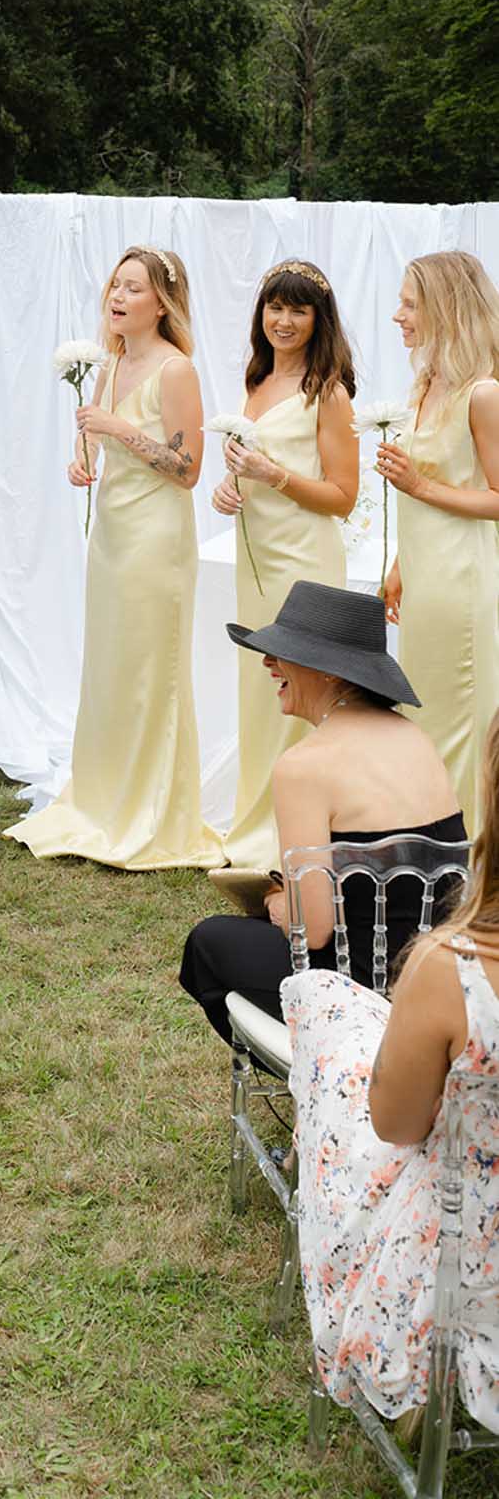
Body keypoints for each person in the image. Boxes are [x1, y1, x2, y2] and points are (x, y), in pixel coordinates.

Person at [281, 705, 499, 1428]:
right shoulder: (411, 741)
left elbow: (398, 1125)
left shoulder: (450, 971)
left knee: (338, 1044)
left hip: (467, 1298)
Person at [179, 581, 466, 1046]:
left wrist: (275, 902)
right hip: (441, 975)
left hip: (361, 987)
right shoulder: (416, 739)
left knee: (208, 944)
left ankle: (328, 1077)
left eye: (280, 652)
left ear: (330, 672)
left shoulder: (304, 766)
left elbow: (310, 931)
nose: (267, 663)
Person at [7, 246, 217, 870]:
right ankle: (104, 797)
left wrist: (116, 431)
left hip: (156, 540)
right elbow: (98, 436)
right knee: (112, 669)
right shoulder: (112, 362)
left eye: (133, 289)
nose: (118, 299)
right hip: (113, 538)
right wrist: (84, 458)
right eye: (114, 287)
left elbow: (187, 470)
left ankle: (150, 809)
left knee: (152, 668)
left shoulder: (176, 370)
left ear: (162, 303)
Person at [210, 259, 358, 871]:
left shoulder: (329, 391)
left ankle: (303, 831)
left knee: (306, 688)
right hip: (256, 561)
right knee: (262, 686)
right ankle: (257, 817)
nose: (284, 320)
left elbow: (343, 497)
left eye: (298, 309)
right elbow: (251, 467)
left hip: (304, 561)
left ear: (319, 320)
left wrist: (273, 475)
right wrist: (230, 487)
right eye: (275, 307)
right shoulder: (257, 382)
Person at [381, 249, 499, 836]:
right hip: (425, 581)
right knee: (425, 711)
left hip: (462, 580)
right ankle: (433, 843)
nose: (397, 315)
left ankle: (469, 849)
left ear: (445, 309)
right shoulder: (423, 384)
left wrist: (418, 483)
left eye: (409, 303)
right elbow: (420, 492)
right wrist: (401, 565)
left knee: (459, 714)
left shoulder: (483, 393)